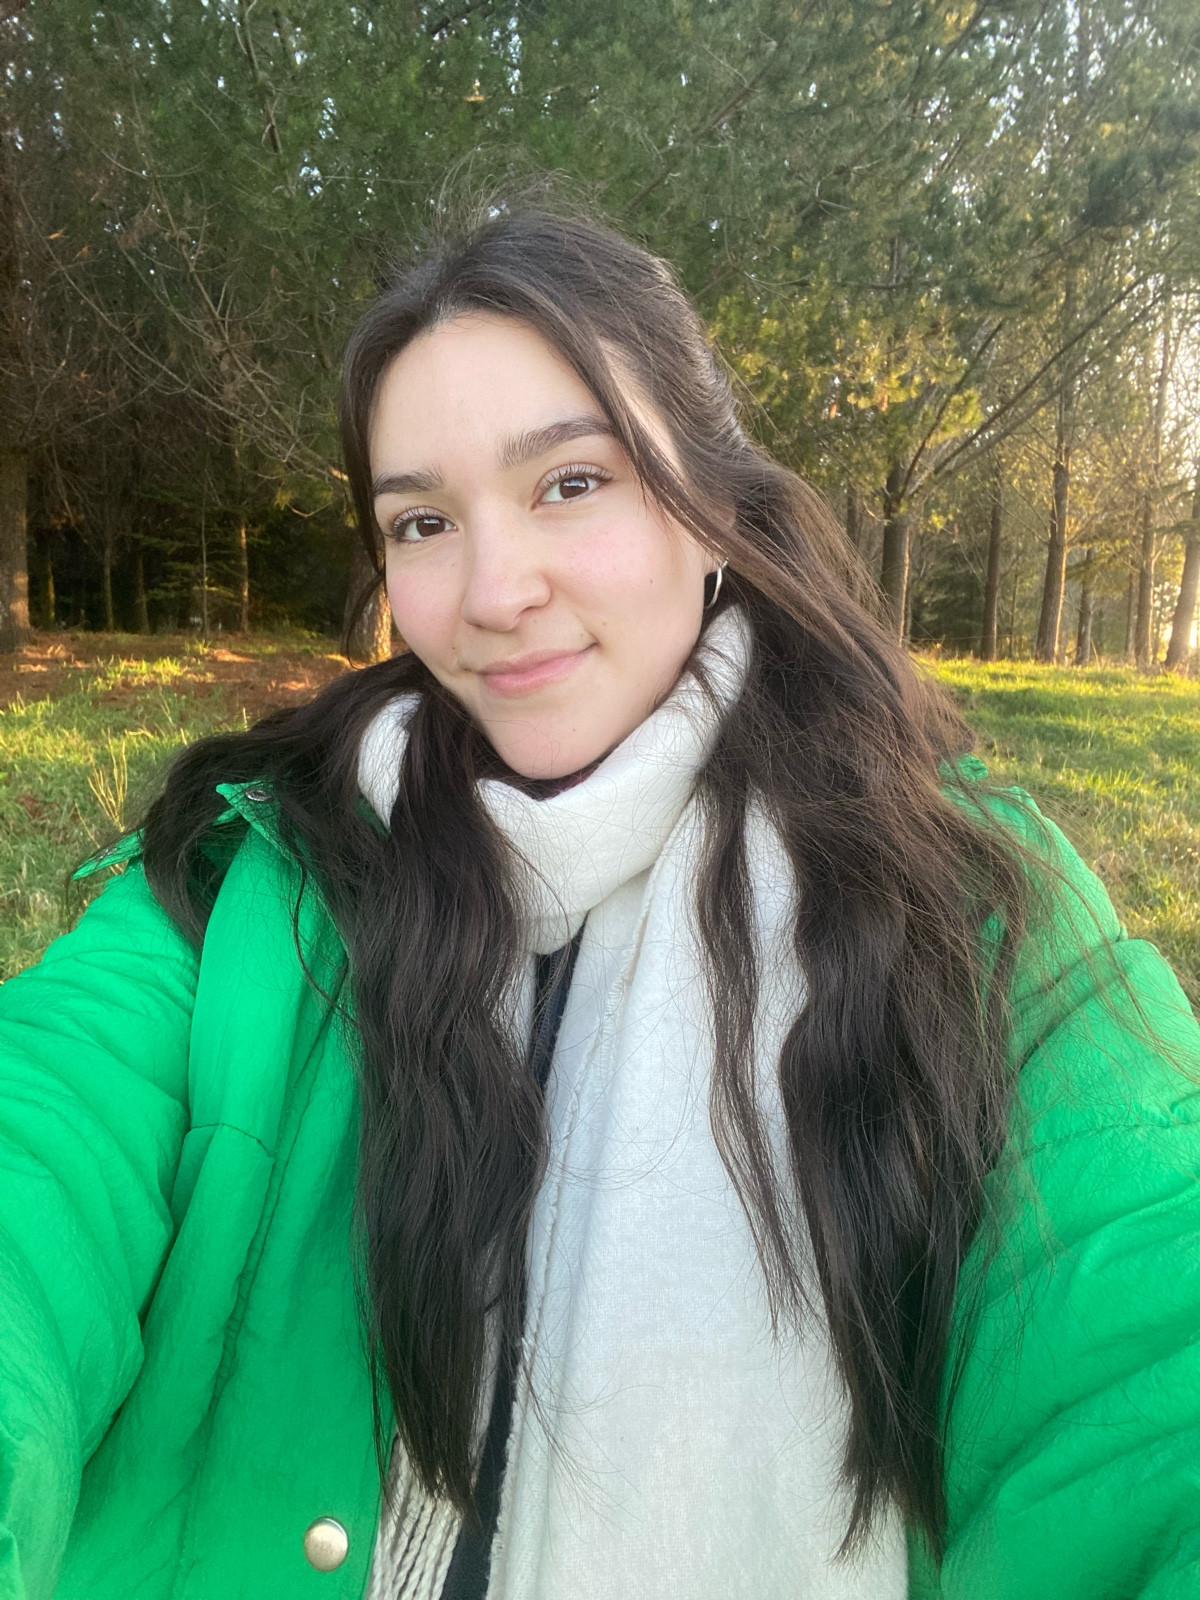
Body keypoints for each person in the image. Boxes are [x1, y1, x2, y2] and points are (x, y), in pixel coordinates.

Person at [1, 205, 1198, 1600]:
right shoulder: (257, 875)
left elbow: (1147, 1344)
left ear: (709, 505)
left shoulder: (964, 902)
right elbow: (45, 1142)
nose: (494, 591)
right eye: (423, 522)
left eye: (571, 482)